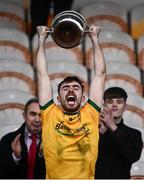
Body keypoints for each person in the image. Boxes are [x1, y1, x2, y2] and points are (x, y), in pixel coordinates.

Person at [35, 24, 106, 179]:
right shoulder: (49, 113)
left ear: (83, 97)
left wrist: (94, 39)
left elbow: (100, 75)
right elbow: (42, 74)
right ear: (58, 99)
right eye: (66, 88)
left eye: (76, 87)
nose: (71, 90)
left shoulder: (91, 113)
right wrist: (41, 40)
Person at [95, 87, 143, 179]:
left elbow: (132, 157)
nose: (114, 105)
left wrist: (112, 126)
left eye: (119, 102)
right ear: (104, 105)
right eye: (110, 102)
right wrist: (100, 133)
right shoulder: (92, 132)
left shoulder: (134, 134)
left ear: (125, 106)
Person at [0, 98, 46, 179]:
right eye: (33, 114)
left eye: (41, 115)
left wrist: (41, 155)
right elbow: (3, 174)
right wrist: (15, 157)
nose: (37, 120)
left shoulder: (54, 141)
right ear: (24, 116)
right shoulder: (7, 140)